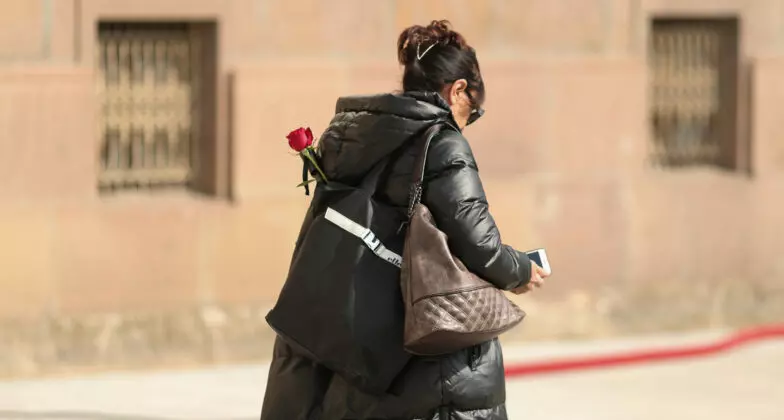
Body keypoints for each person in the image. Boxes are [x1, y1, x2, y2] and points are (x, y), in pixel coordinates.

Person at [261, 20, 549, 420]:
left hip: (353, 339)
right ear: (457, 90)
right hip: (422, 358)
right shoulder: (443, 143)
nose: (468, 120)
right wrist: (520, 269)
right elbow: (478, 243)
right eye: (473, 110)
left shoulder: (351, 133)